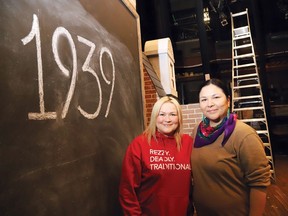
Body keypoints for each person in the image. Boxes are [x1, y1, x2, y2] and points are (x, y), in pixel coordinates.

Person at [191, 78, 271, 216]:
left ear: (228, 100)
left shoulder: (243, 134)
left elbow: (259, 183)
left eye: (215, 97)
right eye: (204, 99)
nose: (209, 104)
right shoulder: (196, 132)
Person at [119, 95, 193, 216]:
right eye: (162, 114)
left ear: (179, 118)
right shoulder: (139, 144)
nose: (167, 119)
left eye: (173, 114)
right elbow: (127, 191)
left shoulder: (188, 143)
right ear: (154, 117)